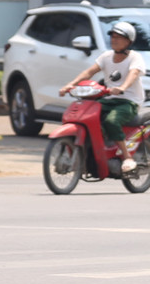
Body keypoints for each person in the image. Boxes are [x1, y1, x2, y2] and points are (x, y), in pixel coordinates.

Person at [60, 21, 145, 173]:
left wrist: (122, 88)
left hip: (128, 102)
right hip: (107, 99)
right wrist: (70, 85)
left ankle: (127, 157)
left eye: (119, 37)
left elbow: (134, 73)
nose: (114, 40)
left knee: (111, 120)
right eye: (113, 36)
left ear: (129, 41)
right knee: (85, 115)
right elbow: (89, 72)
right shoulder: (106, 56)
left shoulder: (134, 57)